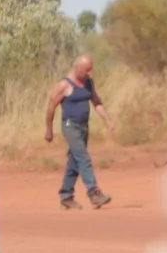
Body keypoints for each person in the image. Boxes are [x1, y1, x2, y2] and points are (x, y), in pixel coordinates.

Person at [45, 55, 115, 209]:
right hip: (70, 126)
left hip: (84, 126)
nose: (90, 73)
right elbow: (51, 108)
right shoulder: (63, 85)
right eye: (86, 70)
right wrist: (49, 130)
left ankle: (66, 195)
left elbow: (96, 102)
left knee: (75, 162)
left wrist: (108, 120)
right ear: (77, 68)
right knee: (83, 158)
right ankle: (94, 193)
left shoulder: (88, 83)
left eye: (91, 70)